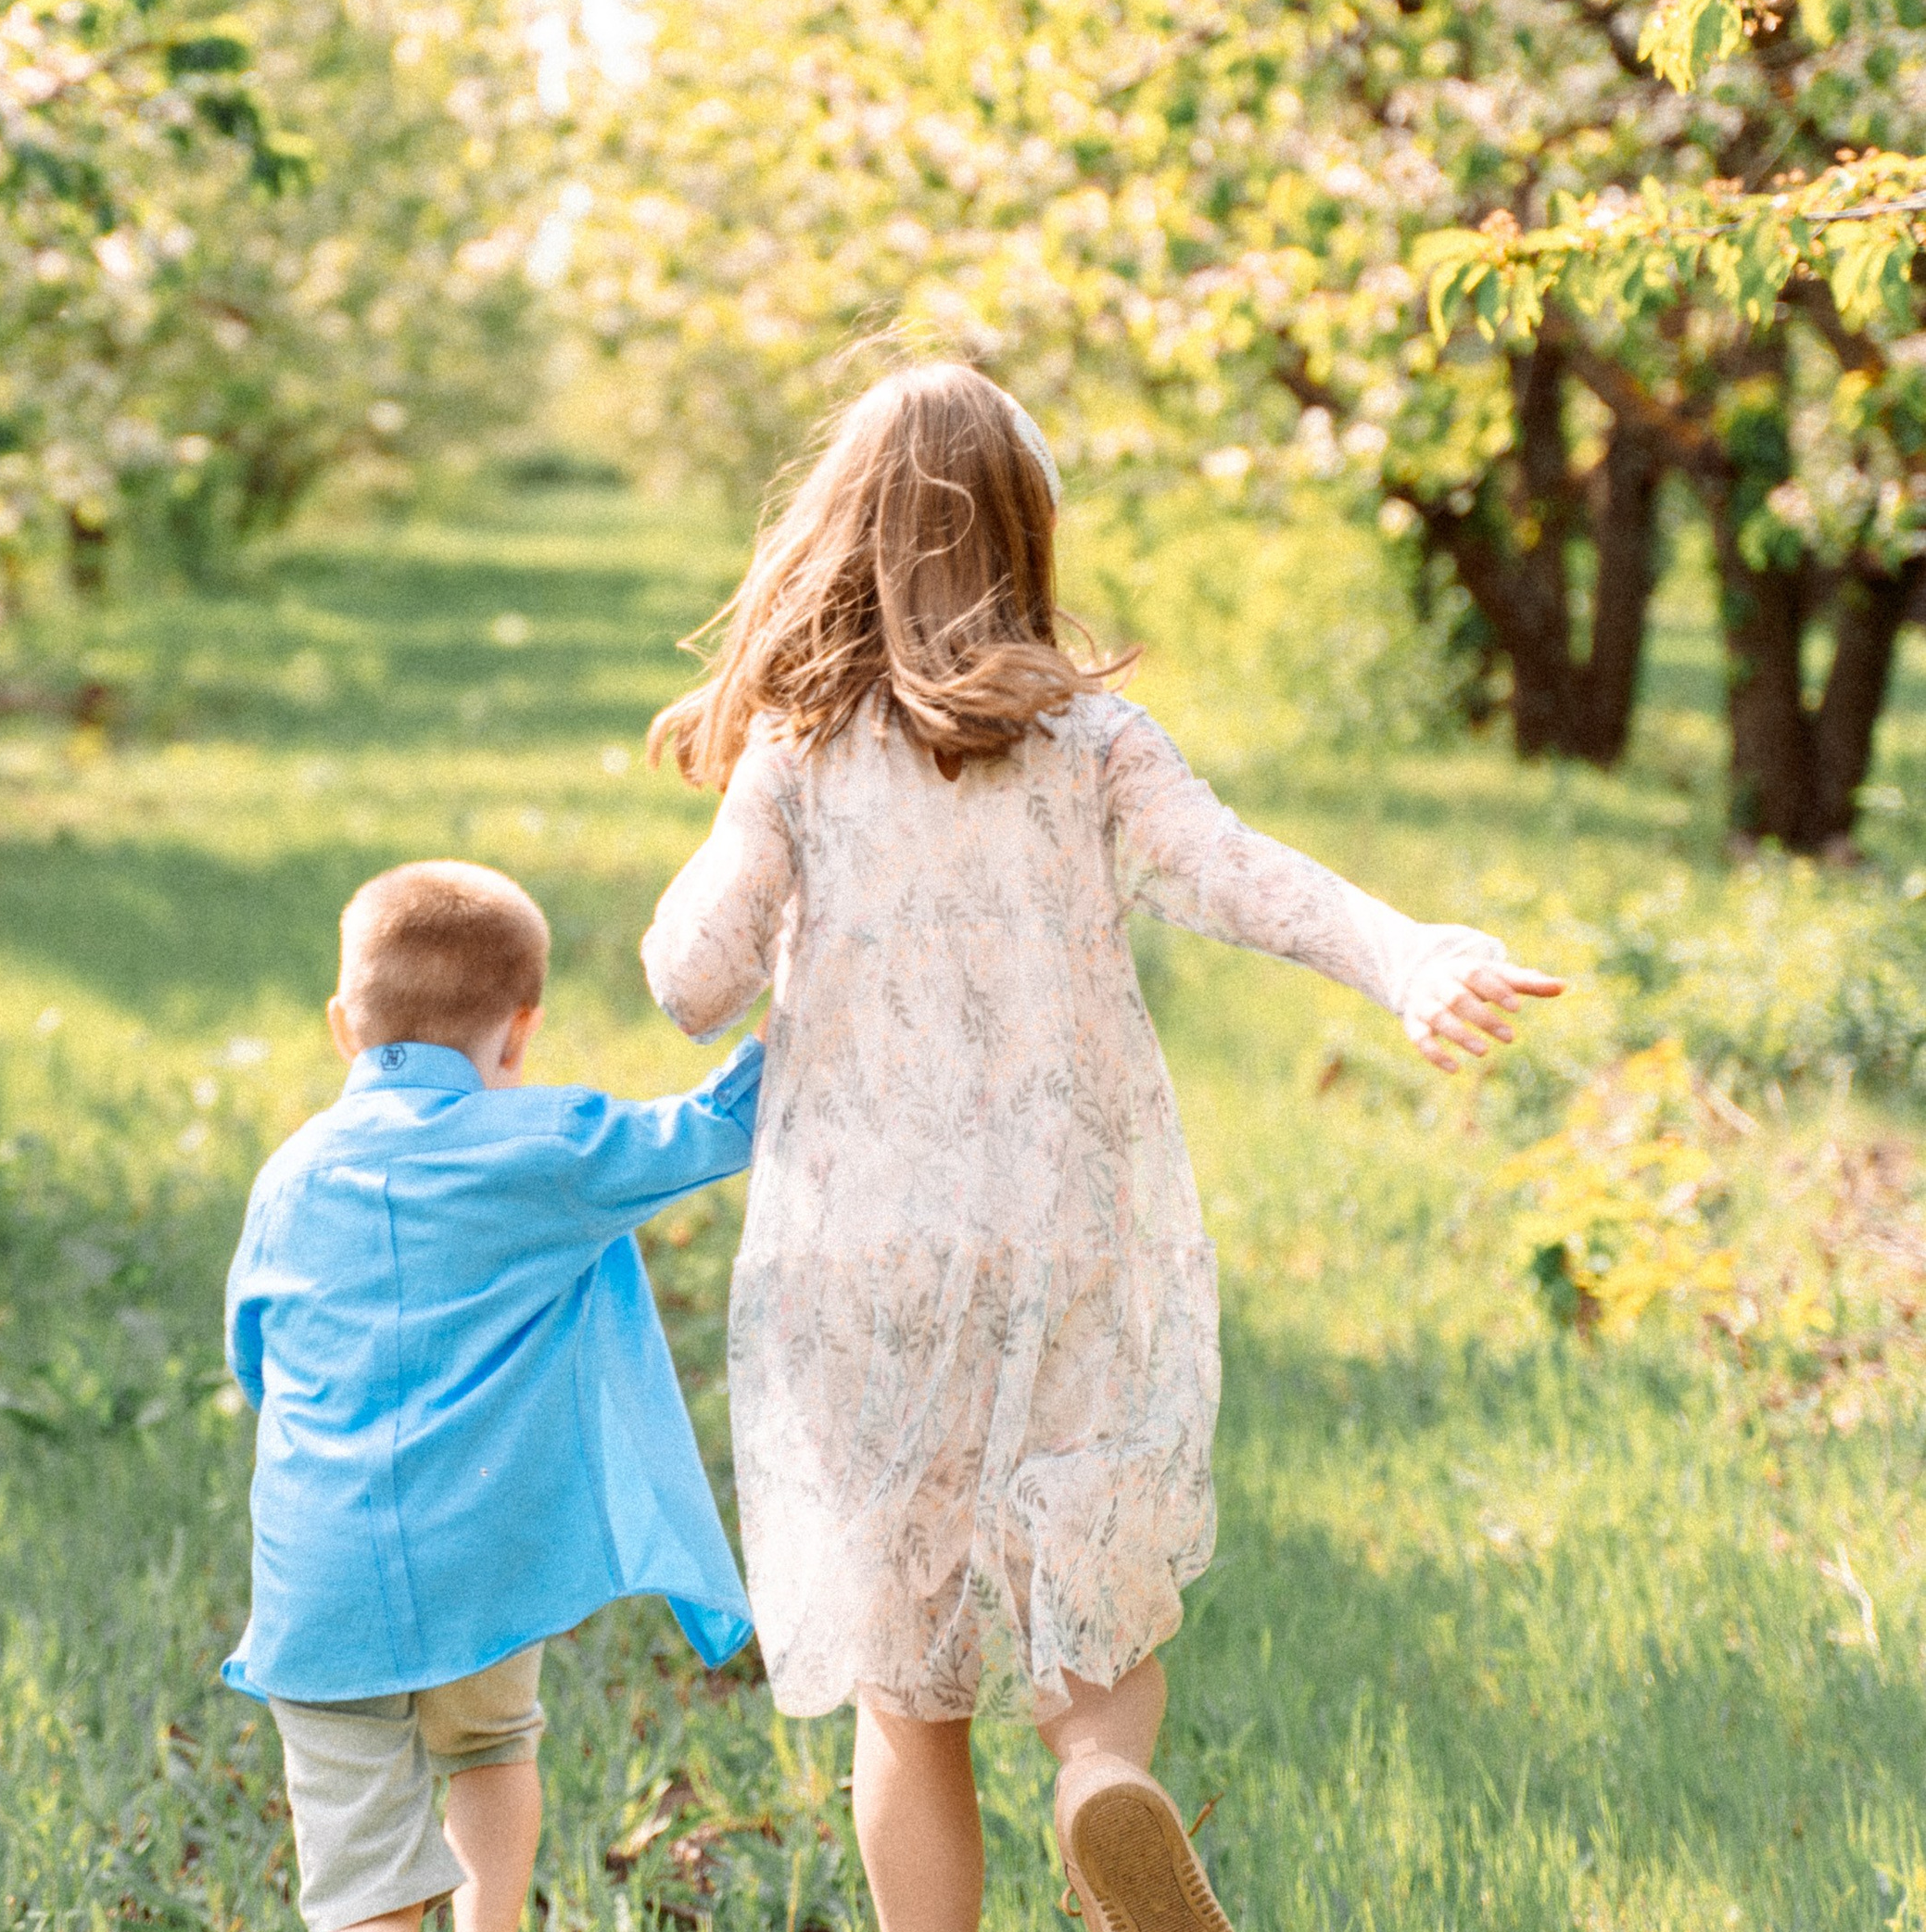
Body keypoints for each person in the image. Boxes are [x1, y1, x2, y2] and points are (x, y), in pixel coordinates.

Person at [639, 364, 1563, 1932]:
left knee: (905, 1682)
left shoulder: (797, 751)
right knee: (1095, 1626)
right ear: (1027, 540)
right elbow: (1244, 875)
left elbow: (689, 982)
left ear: (839, 538)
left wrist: (745, 824)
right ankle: (1096, 1786)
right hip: (1071, 1237)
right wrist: (1411, 958)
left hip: (864, 1259)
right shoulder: (1091, 741)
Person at [223, 859, 763, 1932]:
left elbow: (253, 1352)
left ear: (344, 1025)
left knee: (358, 1851)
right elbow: (711, 1128)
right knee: (491, 1745)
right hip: (484, 1563)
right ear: (518, 1033)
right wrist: (805, 1010)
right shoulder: (549, 1150)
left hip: (322, 1577)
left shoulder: (288, 1175)